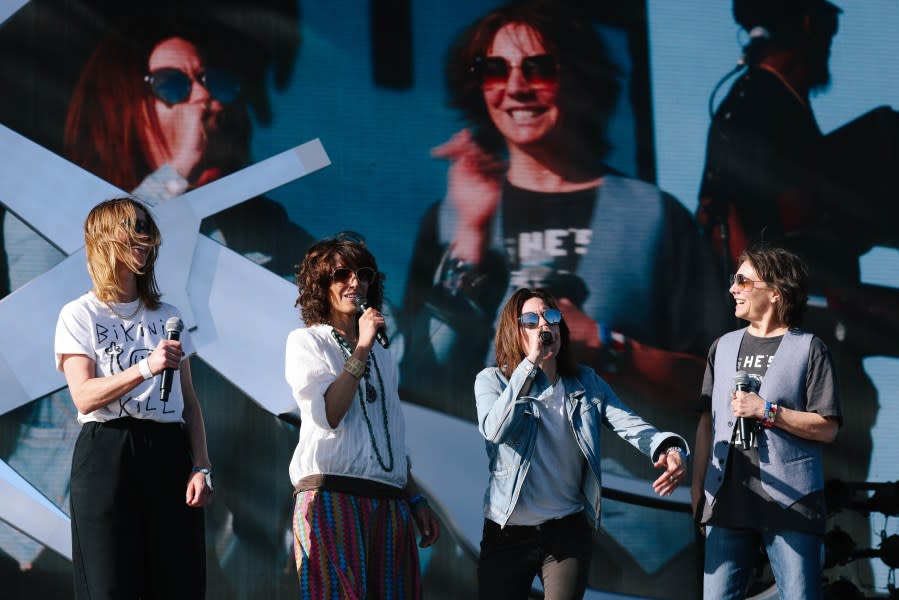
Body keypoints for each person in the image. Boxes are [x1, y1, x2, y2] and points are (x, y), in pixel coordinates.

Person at [401, 0, 730, 439]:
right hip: (490, 495)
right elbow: (416, 387)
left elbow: (723, 381)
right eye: (496, 70)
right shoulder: (449, 219)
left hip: (626, 497)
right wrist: (470, 235)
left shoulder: (655, 217)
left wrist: (611, 348)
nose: (516, 87)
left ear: (579, 79)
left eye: (538, 68)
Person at [696, 0, 895, 588]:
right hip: (793, 375)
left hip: (805, 365)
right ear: (810, 24)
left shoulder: (769, 104)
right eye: (829, 21)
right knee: (823, 556)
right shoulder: (760, 106)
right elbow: (735, 231)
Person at [474, 288, 690, 600]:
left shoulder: (586, 382)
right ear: (513, 331)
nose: (544, 327)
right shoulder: (492, 381)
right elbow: (495, 430)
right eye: (531, 321)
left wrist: (669, 448)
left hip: (565, 530)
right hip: (507, 531)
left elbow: (628, 423)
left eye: (551, 317)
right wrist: (530, 363)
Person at [54, 197, 212, 598]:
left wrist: (202, 467)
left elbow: (189, 402)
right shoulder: (80, 314)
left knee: (177, 581)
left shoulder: (167, 315)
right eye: (133, 227)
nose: (144, 237)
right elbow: (84, 396)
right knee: (111, 584)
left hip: (167, 450)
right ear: (107, 238)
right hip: (108, 451)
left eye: (147, 227)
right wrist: (145, 368)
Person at [285, 234, 440, 598]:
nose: (356, 282)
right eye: (342, 274)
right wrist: (363, 345)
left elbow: (388, 439)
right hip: (332, 495)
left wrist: (416, 499)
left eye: (364, 274)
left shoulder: (384, 356)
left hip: (388, 499)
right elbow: (329, 415)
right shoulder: (308, 341)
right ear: (321, 284)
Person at [690, 246, 841, 600]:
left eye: (742, 281)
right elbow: (706, 425)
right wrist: (698, 491)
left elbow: (828, 427)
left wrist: (766, 410)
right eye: (734, 280)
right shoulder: (722, 347)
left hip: (792, 502)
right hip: (727, 499)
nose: (733, 289)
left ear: (774, 293)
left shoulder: (810, 349)